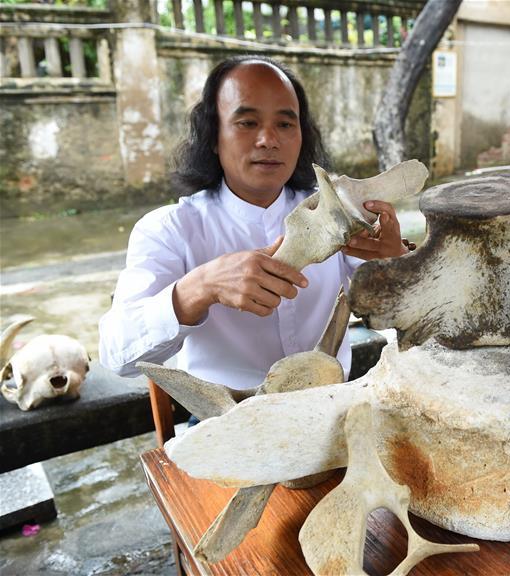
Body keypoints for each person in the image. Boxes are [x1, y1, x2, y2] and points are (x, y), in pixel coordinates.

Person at [99, 55, 409, 391]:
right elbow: (117, 356)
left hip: (327, 408)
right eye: (247, 123)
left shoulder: (338, 213)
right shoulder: (169, 230)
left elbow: (401, 323)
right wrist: (201, 287)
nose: (268, 140)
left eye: (286, 124)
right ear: (214, 137)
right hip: (222, 420)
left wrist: (396, 269)